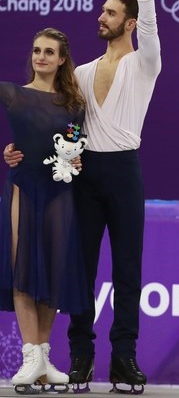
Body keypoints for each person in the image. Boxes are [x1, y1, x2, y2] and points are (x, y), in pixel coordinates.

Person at [5, 0, 162, 394]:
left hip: (124, 173)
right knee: (80, 269)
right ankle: (80, 358)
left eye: (110, 12)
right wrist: (19, 153)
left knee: (128, 269)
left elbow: (150, 14)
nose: (101, 16)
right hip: (83, 174)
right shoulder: (81, 73)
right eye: (102, 10)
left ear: (129, 22)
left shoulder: (145, 62)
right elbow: (52, 128)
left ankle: (124, 360)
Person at [1, 28, 90, 393]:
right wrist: (6, 152)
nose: (40, 57)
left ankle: (43, 358)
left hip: (59, 195)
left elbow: (72, 149)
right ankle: (30, 355)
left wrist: (76, 161)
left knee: (51, 272)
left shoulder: (74, 105)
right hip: (23, 189)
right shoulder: (13, 94)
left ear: (61, 59)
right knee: (23, 266)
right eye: (37, 50)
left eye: (48, 52)